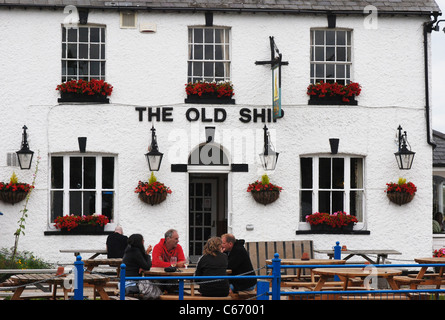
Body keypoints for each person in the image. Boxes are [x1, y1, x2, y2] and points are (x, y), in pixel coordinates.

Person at [122, 234, 161, 299]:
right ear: (139, 242)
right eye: (142, 240)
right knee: (156, 291)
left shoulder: (129, 250)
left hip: (124, 281)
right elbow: (147, 266)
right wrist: (147, 253)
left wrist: (141, 266)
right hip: (131, 283)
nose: (143, 242)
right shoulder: (136, 252)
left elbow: (142, 264)